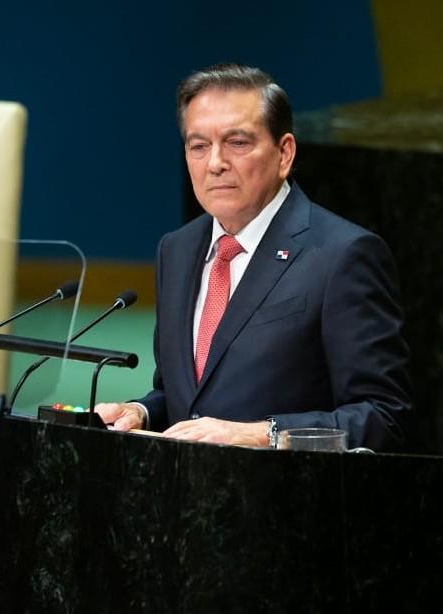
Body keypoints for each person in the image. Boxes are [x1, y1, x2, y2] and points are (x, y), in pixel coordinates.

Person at [95, 63, 413, 452]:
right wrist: (142, 412)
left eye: (237, 143)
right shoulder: (175, 249)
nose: (215, 163)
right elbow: (189, 398)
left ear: (284, 153)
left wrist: (262, 434)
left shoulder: (342, 255)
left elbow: (384, 416)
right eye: (199, 146)